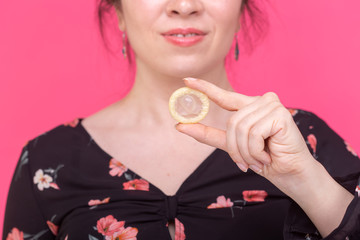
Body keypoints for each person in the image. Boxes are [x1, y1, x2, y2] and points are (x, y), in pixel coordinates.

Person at [3, 0, 360, 239]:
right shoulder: (46, 160)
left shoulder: (306, 140)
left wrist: (308, 184)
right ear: (119, 12)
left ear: (240, 11)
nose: (185, 6)